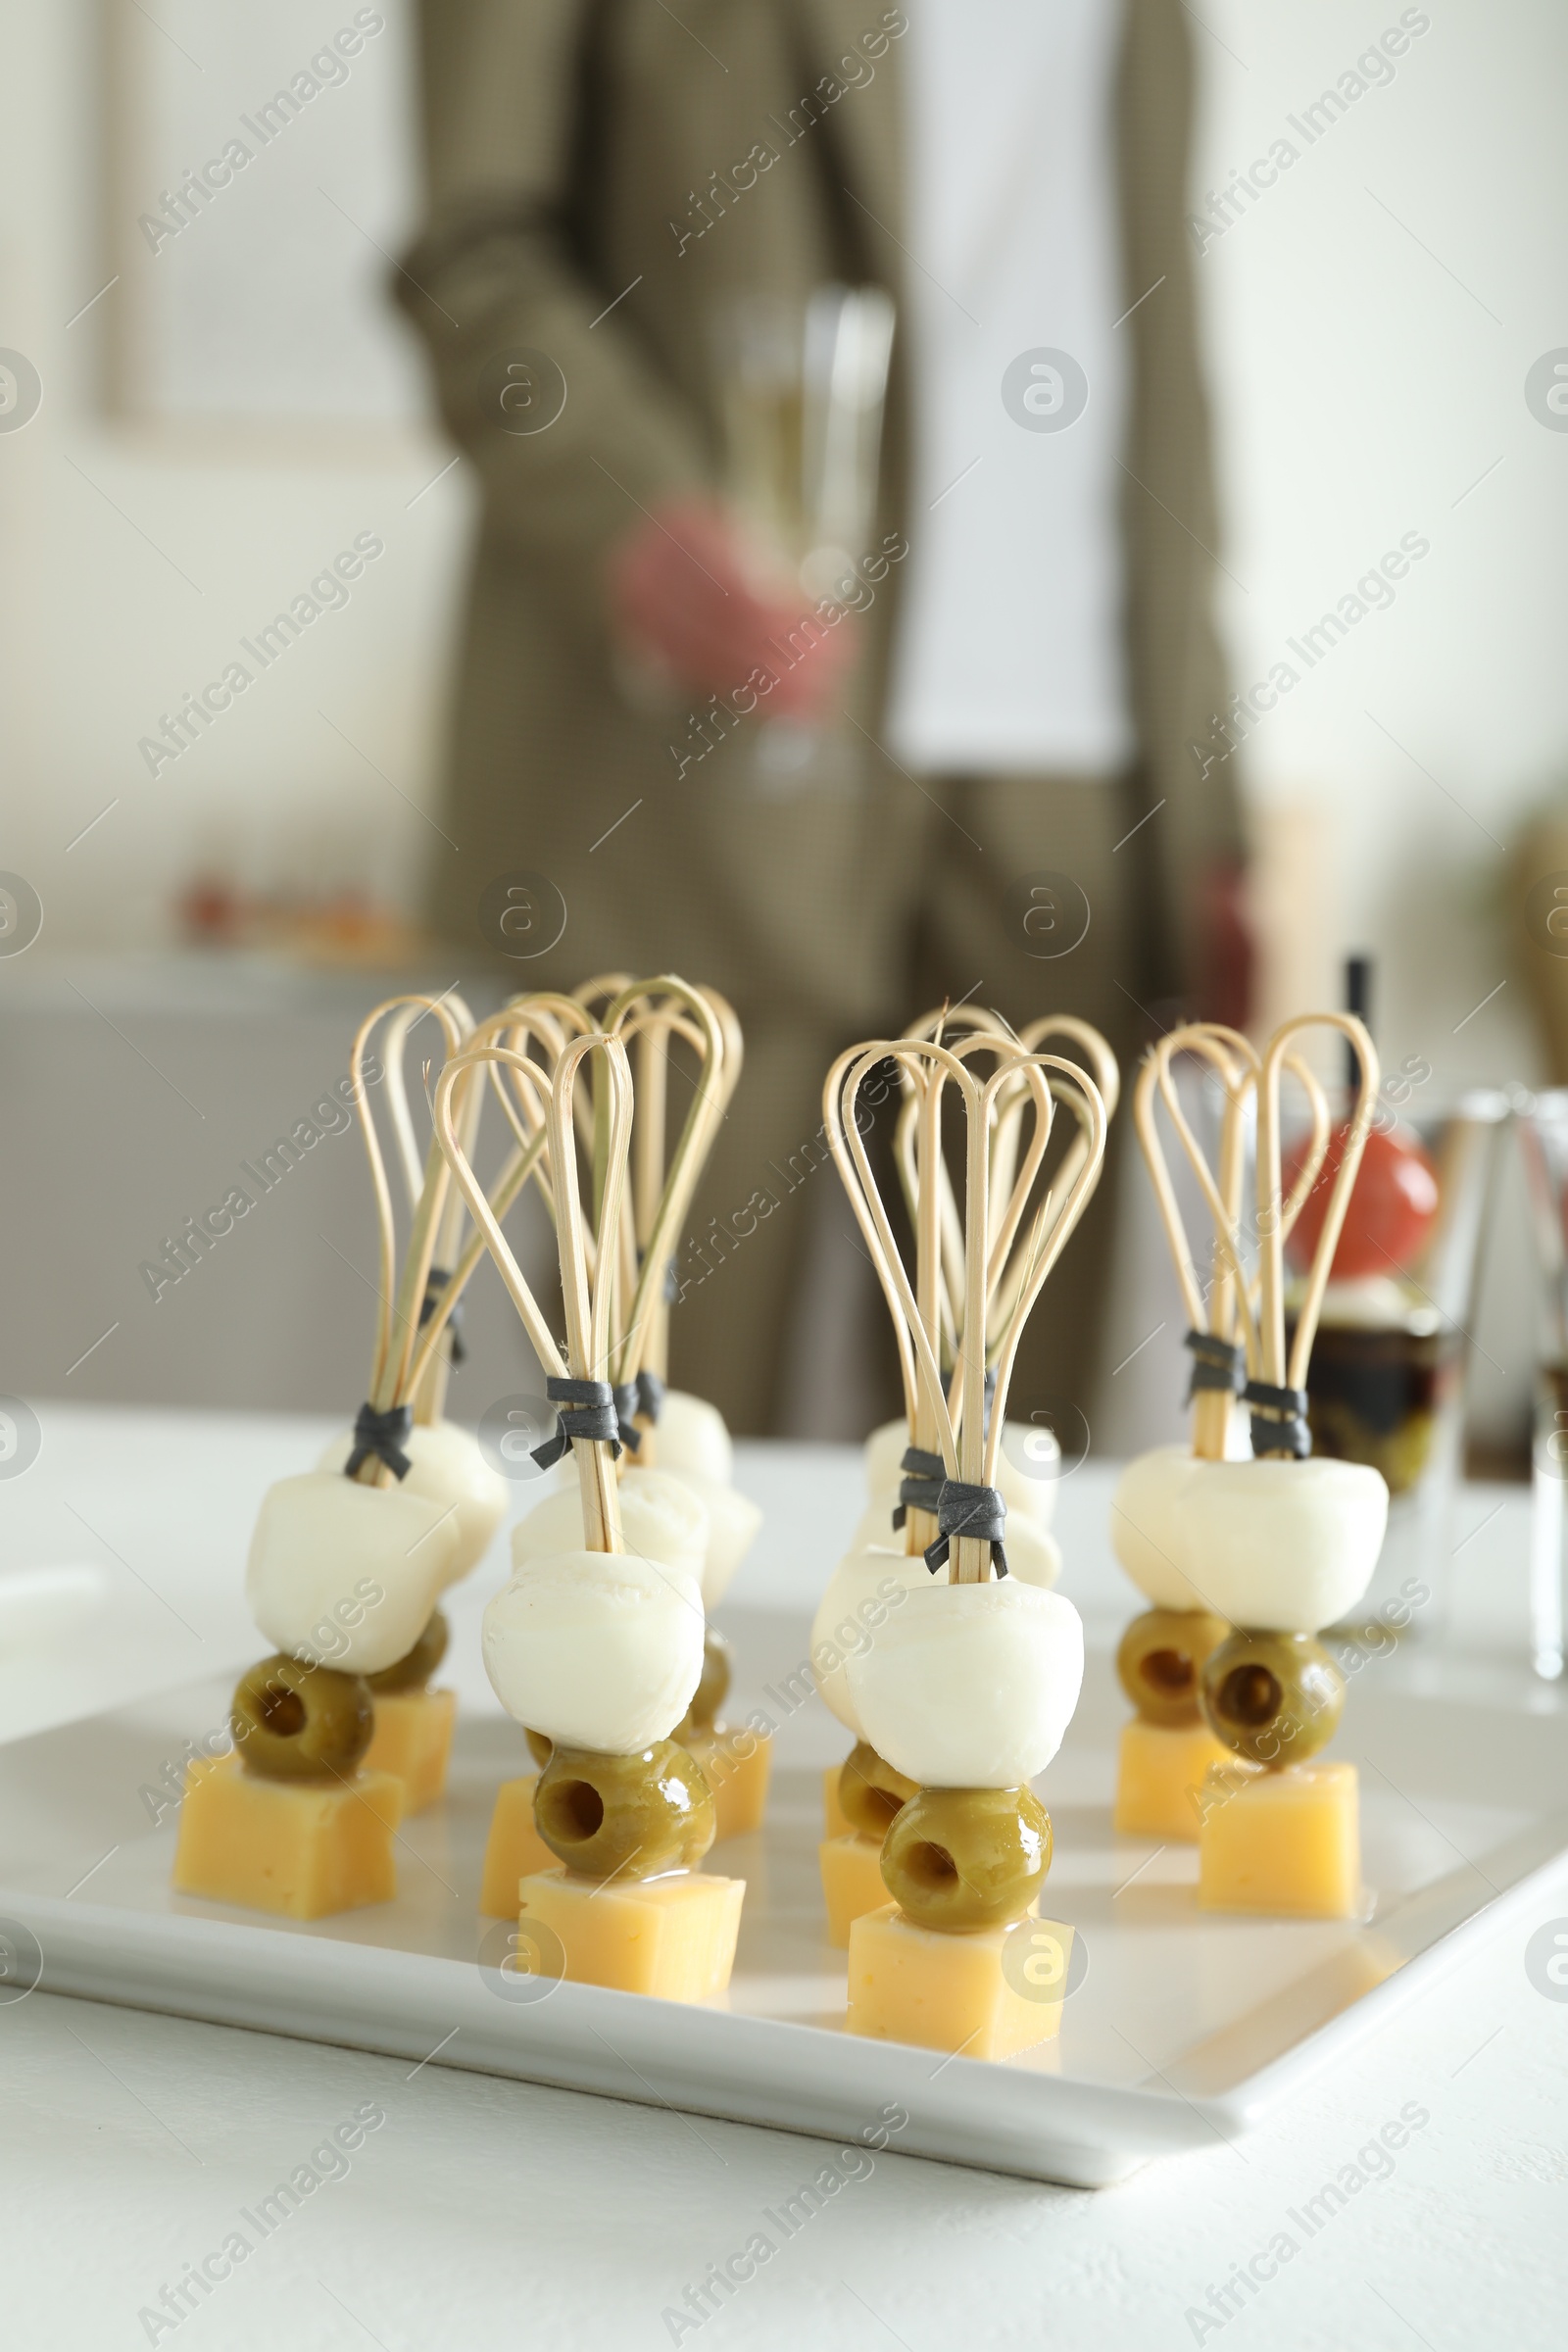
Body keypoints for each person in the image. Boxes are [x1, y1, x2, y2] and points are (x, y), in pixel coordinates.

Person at [395, 0, 1250, 1435]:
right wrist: (632, 507)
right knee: (641, 1465)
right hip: (701, 760)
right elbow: (474, 246)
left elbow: (1164, 370)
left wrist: (1207, 802)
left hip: (1084, 775)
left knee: (997, 1483)